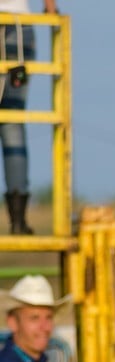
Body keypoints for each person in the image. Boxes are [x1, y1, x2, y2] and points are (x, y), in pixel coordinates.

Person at [0, 0, 58, 234]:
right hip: (19, 29)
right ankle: (17, 221)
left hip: (17, 28)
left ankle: (18, 218)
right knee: (12, 121)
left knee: (12, 122)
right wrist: (51, 9)